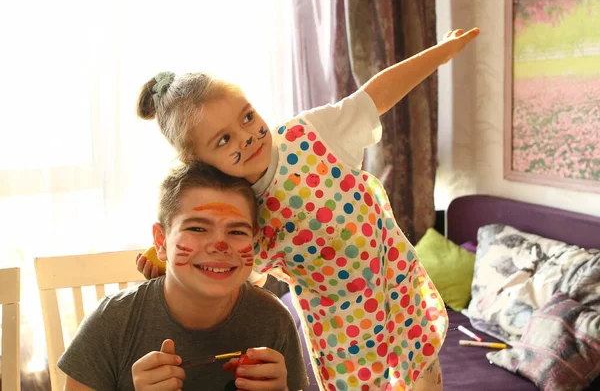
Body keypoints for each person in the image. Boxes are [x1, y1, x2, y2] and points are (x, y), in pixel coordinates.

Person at [136, 27, 480, 390]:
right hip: (343, 330)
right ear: (202, 163)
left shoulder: (312, 134)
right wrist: (167, 261)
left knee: (424, 375)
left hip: (397, 284)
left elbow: (376, 96)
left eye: (248, 116)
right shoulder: (239, 212)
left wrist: (440, 53)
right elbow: (221, 269)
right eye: (224, 140)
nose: (248, 136)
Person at [58, 163, 309, 391]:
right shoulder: (111, 323)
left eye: (236, 230)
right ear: (161, 242)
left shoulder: (273, 320)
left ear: (254, 241)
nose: (219, 244)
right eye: (197, 228)